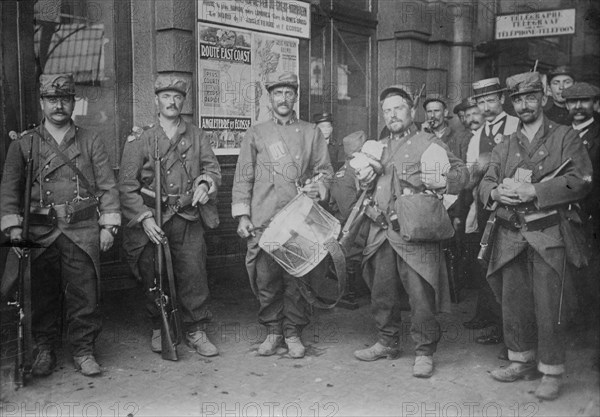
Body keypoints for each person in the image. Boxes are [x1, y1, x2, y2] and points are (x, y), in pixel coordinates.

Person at [480, 71, 592, 400]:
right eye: (518, 99)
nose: (525, 104)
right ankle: (521, 360)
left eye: (531, 97)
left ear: (543, 99)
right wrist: (496, 192)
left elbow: (582, 179)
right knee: (514, 302)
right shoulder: (505, 144)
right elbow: (486, 180)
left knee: (549, 306)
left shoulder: (564, 136)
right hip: (511, 233)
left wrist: (535, 190)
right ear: (512, 104)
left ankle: (551, 369)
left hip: (548, 234)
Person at [0, 73, 121, 376]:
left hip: (80, 230)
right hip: (40, 232)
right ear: (42, 103)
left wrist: (108, 226)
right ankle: (44, 348)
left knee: (84, 293)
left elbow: (107, 186)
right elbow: (9, 189)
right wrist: (14, 230)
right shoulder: (25, 144)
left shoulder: (90, 140)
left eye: (64, 99)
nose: (58, 105)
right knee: (42, 293)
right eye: (52, 99)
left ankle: (83, 349)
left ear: (73, 103)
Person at [353, 85, 468, 378]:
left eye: (398, 108)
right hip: (381, 229)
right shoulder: (377, 145)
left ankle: (424, 351)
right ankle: (386, 341)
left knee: (421, 295)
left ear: (411, 111)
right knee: (381, 291)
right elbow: (367, 184)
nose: (392, 115)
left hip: (415, 230)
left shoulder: (428, 141)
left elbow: (460, 174)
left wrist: (441, 182)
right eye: (387, 110)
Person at [119, 75, 222, 357]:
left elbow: (214, 171)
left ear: (183, 102)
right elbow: (127, 186)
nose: (172, 102)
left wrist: (205, 184)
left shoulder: (198, 136)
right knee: (155, 273)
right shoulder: (141, 139)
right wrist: (144, 218)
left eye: (177, 97)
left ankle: (196, 330)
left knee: (194, 273)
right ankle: (158, 326)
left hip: (188, 216)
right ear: (156, 101)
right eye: (166, 96)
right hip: (155, 219)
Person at [231, 72, 333, 359]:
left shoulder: (311, 132)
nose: (284, 99)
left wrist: (319, 187)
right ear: (270, 97)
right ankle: (273, 331)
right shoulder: (257, 133)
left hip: (299, 217)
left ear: (295, 97)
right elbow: (243, 177)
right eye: (278, 93)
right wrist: (242, 215)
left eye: (289, 93)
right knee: (266, 279)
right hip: (264, 218)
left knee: (297, 279)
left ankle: (293, 332)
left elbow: (325, 171)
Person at [462, 77, 519, 350]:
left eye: (490, 100)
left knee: (510, 268)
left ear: (502, 100)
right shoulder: (476, 136)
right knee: (488, 262)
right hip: (486, 206)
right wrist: (476, 171)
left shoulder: (516, 126)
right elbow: (470, 174)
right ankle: (496, 323)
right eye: (481, 102)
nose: (485, 106)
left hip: (513, 205)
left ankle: (512, 333)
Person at [563, 82, 600, 327]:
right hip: (566, 213)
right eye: (572, 102)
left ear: (595, 104)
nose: (577, 107)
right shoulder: (561, 134)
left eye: (584, 101)